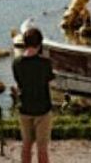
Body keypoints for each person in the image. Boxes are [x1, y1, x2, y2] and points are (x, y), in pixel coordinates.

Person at [12, 26, 54, 163]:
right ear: (39, 43)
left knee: (26, 145)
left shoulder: (16, 63)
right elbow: (48, 80)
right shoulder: (45, 63)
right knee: (42, 148)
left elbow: (19, 82)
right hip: (42, 109)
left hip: (25, 108)